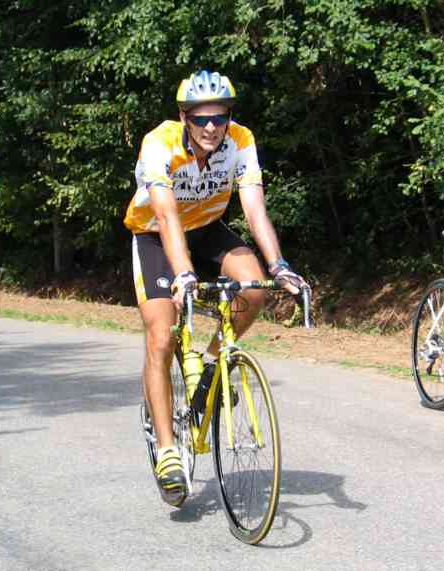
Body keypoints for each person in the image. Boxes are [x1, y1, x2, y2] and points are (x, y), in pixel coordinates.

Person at [124, 70, 308, 505]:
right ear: (184, 117)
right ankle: (168, 448)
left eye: (220, 118)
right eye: (201, 118)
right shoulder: (159, 143)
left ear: (229, 117)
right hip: (154, 232)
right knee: (161, 335)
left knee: (255, 287)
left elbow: (255, 209)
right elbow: (167, 216)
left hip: (206, 226)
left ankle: (209, 361)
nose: (211, 127)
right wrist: (184, 274)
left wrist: (280, 266)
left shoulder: (241, 141)